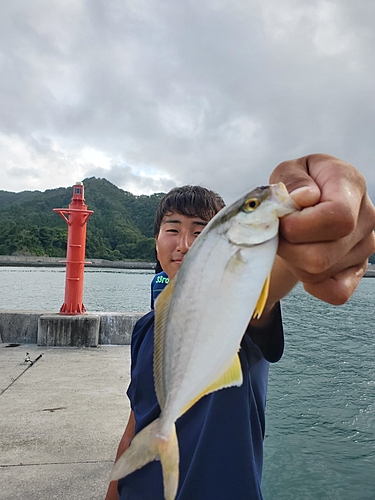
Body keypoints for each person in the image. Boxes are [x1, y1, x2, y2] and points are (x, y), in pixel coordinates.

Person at [105, 154, 375, 500]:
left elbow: (267, 282)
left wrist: (318, 213)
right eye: (172, 230)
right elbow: (136, 423)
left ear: (217, 241)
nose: (185, 244)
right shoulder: (145, 329)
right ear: (156, 240)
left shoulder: (237, 306)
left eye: (200, 231)